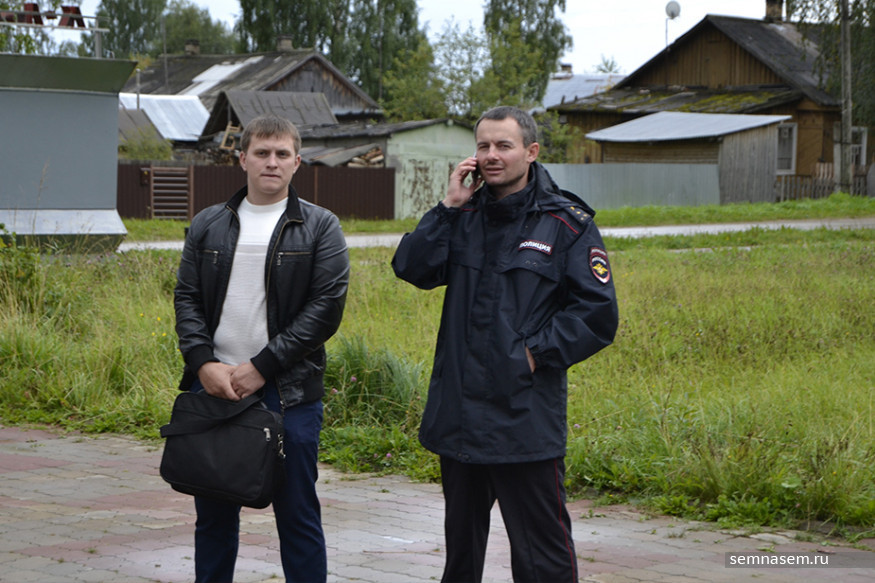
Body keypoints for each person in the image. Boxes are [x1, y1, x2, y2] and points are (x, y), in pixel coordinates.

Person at [392, 106, 619, 583]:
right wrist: (448, 206)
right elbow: (412, 268)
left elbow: (596, 314)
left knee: (542, 559)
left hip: (523, 419)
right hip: (459, 415)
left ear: (530, 152)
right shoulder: (462, 215)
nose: (491, 155)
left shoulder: (566, 224)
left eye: (504, 145)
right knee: (461, 558)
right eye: (483, 146)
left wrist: (532, 355)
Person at [174, 113, 349, 583]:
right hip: (213, 389)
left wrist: (262, 366)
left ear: (297, 162)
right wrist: (203, 363)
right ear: (242, 159)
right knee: (213, 517)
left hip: (287, 394)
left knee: (297, 515)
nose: (272, 162)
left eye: (282, 154)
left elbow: (326, 309)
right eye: (262, 153)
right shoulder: (208, 224)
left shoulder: (321, 226)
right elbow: (187, 298)